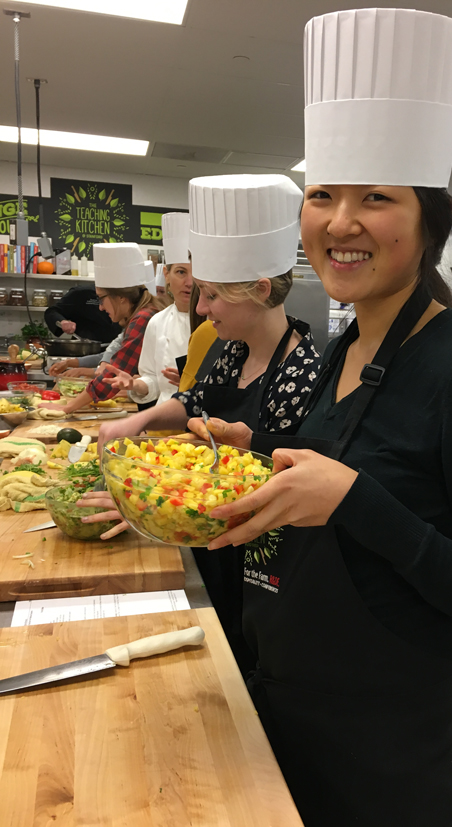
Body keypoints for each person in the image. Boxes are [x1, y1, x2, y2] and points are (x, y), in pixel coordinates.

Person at [180, 10, 452, 827]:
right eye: (323, 195)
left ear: (427, 223)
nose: (340, 222)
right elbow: (336, 460)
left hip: (385, 757)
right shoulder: (342, 344)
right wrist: (254, 447)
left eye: (375, 198)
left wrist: (357, 502)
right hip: (289, 705)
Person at [81, 175, 321, 671]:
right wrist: (140, 422)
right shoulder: (230, 348)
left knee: (239, 656)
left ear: (258, 290)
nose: (203, 309)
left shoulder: (302, 372)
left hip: (253, 557)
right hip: (206, 532)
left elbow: (265, 485)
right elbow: (193, 403)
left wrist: (154, 502)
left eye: (212, 295)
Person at [38, 243, 162, 416]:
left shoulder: (142, 319)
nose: (101, 308)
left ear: (120, 297)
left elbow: (111, 376)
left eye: (102, 299)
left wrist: (67, 408)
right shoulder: (144, 314)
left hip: (159, 407)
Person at [107, 213, 193, 406]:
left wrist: (195, 384)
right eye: (181, 272)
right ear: (166, 274)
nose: (189, 283)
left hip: (204, 425)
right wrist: (135, 385)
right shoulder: (157, 322)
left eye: (197, 273)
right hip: (164, 420)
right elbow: (153, 379)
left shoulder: (218, 323)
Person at [44, 284, 122, 343]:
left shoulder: (125, 297)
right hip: (84, 349)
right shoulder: (82, 293)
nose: (101, 308)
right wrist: (62, 321)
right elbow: (51, 312)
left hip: (115, 348)